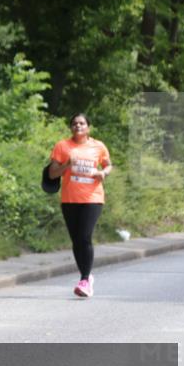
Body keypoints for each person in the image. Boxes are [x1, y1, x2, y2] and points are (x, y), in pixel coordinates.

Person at [48, 113, 112, 298]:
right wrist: (66, 164)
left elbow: (108, 165)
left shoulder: (98, 146)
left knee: (84, 236)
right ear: (71, 127)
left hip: (93, 198)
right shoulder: (62, 146)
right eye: (74, 123)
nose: (78, 126)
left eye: (82, 123)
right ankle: (86, 277)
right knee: (76, 240)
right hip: (69, 199)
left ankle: (85, 279)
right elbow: (52, 174)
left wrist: (104, 173)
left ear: (88, 127)